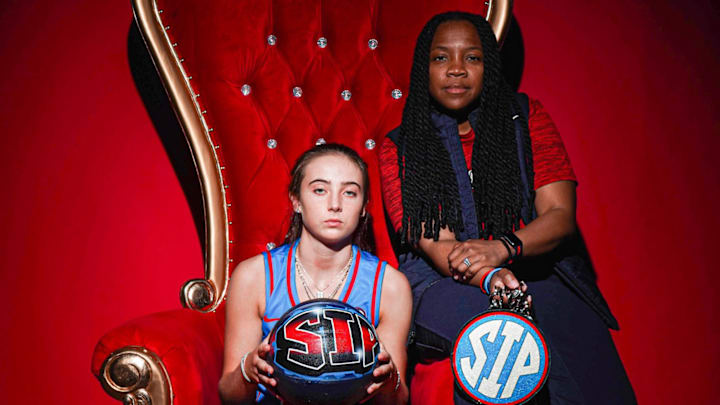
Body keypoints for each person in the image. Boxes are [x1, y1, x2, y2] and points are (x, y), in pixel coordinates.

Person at [378, 11, 636, 404]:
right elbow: (437, 244)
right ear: (423, 69)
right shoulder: (400, 146)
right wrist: (490, 274)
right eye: (441, 57)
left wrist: (504, 248)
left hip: (533, 267)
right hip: (442, 282)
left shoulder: (525, 118)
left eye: (473, 57)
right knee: (496, 334)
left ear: (490, 66)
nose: (457, 69)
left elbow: (559, 216)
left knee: (578, 339)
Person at [219, 143, 412, 405]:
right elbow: (230, 396)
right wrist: (247, 371)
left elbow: (397, 400)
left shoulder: (391, 286)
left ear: (364, 207)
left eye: (350, 192)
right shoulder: (253, 277)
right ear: (296, 200)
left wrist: (389, 381)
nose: (335, 205)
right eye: (320, 190)